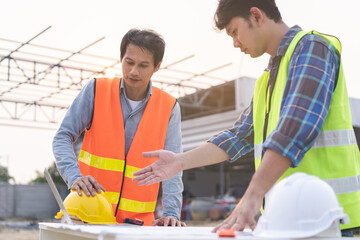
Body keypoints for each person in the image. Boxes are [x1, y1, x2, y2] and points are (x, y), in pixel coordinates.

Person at [132, 0, 360, 235]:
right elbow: (239, 137)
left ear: (256, 16)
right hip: (286, 220)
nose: (235, 43)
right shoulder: (267, 79)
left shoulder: (313, 48)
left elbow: (295, 129)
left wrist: (252, 195)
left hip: (328, 218)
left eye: (234, 32)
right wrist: (180, 161)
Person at [53, 28, 185, 227]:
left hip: (136, 225)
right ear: (121, 58)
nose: (133, 71)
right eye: (129, 62)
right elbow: (62, 137)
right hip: (86, 216)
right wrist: (74, 178)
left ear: (157, 67)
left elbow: (173, 165)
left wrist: (172, 214)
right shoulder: (96, 90)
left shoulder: (169, 107)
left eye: (143, 65)